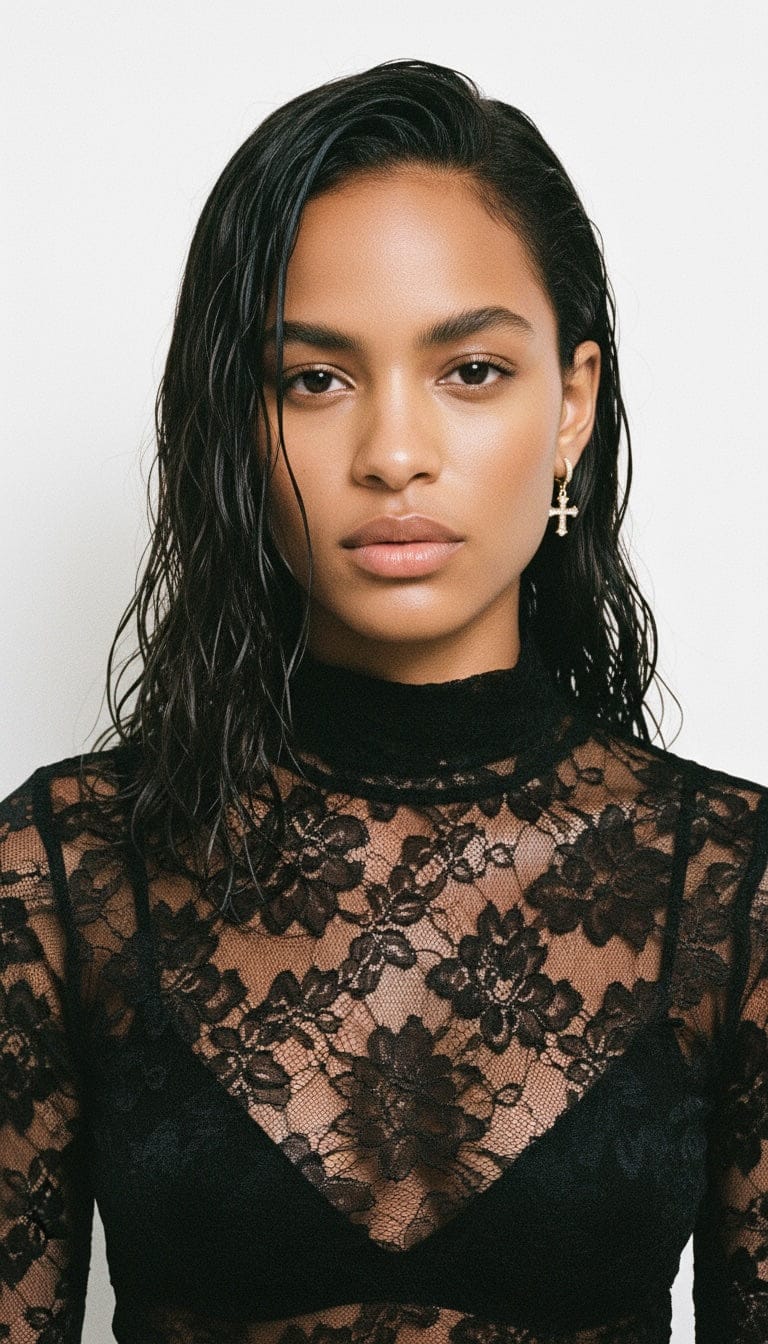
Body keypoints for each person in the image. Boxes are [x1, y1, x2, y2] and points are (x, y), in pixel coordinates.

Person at [1, 56, 766, 1344]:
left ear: (572, 403)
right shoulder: (64, 875)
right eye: (317, 378)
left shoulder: (732, 887)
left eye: (470, 371)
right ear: (239, 418)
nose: (394, 453)